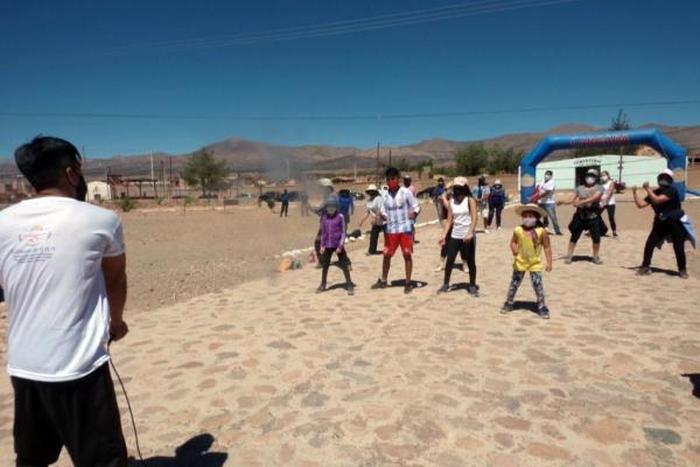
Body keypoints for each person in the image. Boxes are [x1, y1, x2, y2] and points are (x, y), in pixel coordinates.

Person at [0, 136, 129, 466]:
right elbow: (115, 278)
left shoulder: (2, 223)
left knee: (32, 458)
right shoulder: (101, 220)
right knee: (102, 459)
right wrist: (116, 323)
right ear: (71, 173)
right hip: (79, 366)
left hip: (24, 364)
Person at [634, 169, 692, 279]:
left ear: (670, 180)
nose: (663, 180)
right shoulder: (655, 192)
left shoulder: (671, 191)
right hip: (660, 223)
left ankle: (682, 269)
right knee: (650, 244)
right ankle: (645, 266)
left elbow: (657, 200)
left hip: (675, 223)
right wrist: (634, 193)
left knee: (678, 247)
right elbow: (640, 205)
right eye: (661, 177)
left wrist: (647, 189)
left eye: (666, 178)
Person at [371, 167, 420, 294]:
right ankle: (383, 280)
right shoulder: (384, 194)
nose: (390, 181)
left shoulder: (405, 192)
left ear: (398, 179)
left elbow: (416, 206)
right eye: (388, 179)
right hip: (391, 230)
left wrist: (414, 214)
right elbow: (383, 210)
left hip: (405, 229)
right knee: (386, 255)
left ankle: (408, 283)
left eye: (392, 178)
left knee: (407, 254)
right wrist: (382, 216)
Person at [501, 204, 553, 319]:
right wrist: (514, 249)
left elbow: (547, 247)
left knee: (538, 285)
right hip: (520, 262)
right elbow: (513, 242)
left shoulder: (541, 231)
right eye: (525, 216)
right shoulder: (518, 230)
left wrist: (549, 262)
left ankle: (541, 306)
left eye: (531, 216)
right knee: (514, 284)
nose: (527, 219)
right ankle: (509, 302)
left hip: (535, 263)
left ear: (536, 218)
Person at [437, 177, 478, 296]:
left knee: (470, 261)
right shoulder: (451, 201)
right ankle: (446, 284)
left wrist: (470, 233)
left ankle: (472, 285)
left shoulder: (470, 200)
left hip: (468, 236)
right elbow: (450, 220)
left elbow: (474, 218)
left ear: (465, 187)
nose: (458, 189)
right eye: (456, 187)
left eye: (460, 187)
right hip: (455, 235)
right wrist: (443, 235)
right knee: (450, 260)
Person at [564, 169, 605, 264]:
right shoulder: (579, 188)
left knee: (596, 237)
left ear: (596, 178)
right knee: (574, 236)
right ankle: (569, 256)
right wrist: (563, 202)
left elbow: (595, 198)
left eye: (592, 175)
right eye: (588, 175)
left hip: (593, 215)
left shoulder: (599, 188)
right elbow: (572, 199)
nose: (589, 177)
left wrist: (581, 202)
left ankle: (595, 257)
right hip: (580, 216)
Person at [317, 197, 354, 295]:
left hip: (338, 246)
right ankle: (323, 284)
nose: (330, 208)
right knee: (325, 266)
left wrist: (340, 246)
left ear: (336, 207)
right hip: (328, 246)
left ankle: (349, 284)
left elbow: (343, 232)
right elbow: (324, 233)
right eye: (329, 206)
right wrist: (322, 245)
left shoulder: (340, 217)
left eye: (332, 206)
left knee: (344, 265)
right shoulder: (324, 218)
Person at [531, 170, 562, 235]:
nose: (547, 175)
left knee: (553, 217)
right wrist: (534, 197)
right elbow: (539, 190)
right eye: (546, 174)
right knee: (540, 216)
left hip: (549, 203)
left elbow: (547, 192)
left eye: (548, 174)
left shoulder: (552, 182)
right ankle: (544, 228)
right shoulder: (542, 181)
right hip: (541, 202)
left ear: (551, 176)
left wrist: (538, 197)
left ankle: (557, 231)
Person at [358, 184, 384, 255]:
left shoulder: (378, 199)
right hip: (375, 222)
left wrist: (376, 218)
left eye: (372, 191)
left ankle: (390, 249)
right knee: (373, 236)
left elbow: (380, 210)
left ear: (375, 191)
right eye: (370, 191)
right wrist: (362, 221)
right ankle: (372, 251)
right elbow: (368, 212)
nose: (371, 192)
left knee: (387, 236)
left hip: (382, 220)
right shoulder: (369, 200)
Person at [600, 170, 618, 237]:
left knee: (611, 217)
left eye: (604, 175)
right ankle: (604, 229)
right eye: (602, 175)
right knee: (596, 215)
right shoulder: (601, 184)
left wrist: (605, 202)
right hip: (602, 202)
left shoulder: (611, 183)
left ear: (608, 175)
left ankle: (614, 231)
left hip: (610, 203)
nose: (603, 177)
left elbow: (610, 193)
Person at [403, 175, 420, 242]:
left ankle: (412, 239)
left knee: (411, 225)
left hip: (411, 209)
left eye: (407, 180)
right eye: (405, 180)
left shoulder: (412, 188)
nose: (406, 181)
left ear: (409, 181)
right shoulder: (402, 188)